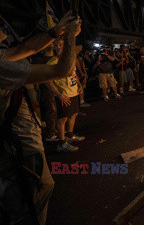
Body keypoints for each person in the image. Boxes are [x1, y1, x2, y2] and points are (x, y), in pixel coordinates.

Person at [0, 13, 81, 225]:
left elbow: (22, 50)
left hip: (10, 139)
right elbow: (62, 69)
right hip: (13, 142)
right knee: (35, 190)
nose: (4, 26)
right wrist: (71, 37)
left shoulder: (2, 56)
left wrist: (56, 32)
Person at [45, 38, 85, 153]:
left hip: (74, 93)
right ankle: (61, 143)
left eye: (61, 45)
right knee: (62, 119)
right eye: (56, 45)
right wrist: (59, 95)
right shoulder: (52, 62)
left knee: (74, 115)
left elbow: (74, 73)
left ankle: (70, 135)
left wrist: (79, 85)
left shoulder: (70, 59)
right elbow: (48, 81)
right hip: (64, 95)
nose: (58, 47)